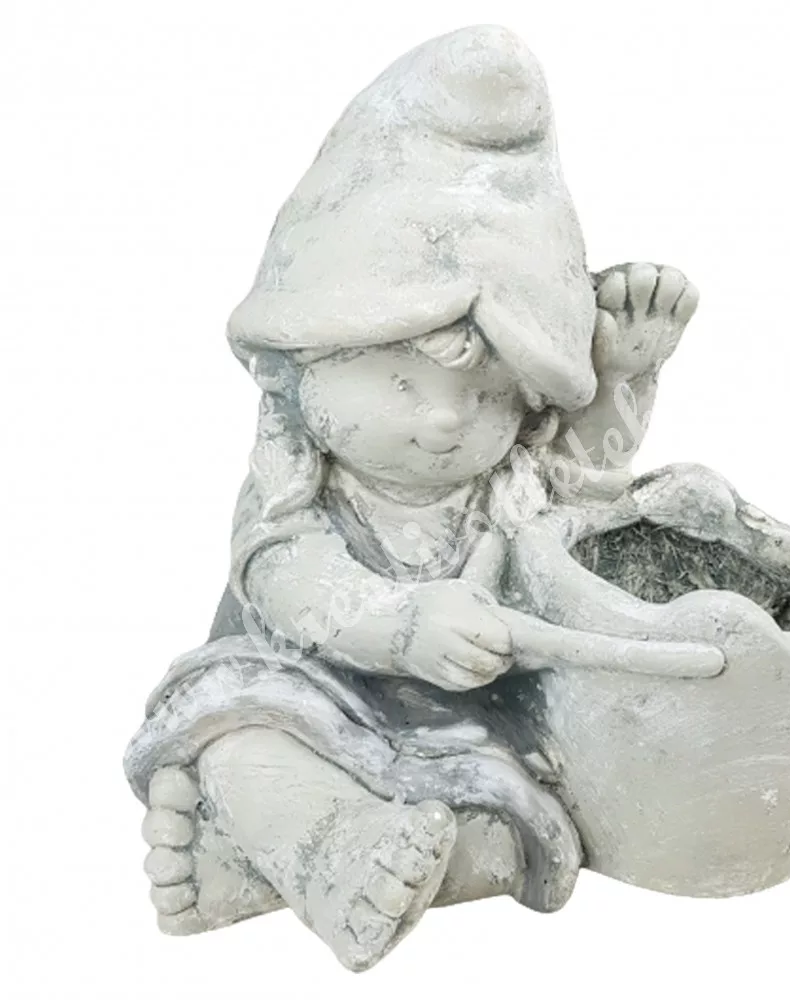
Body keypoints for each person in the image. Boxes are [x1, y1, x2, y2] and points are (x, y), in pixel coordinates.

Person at [125, 25, 697, 971]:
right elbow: (285, 577)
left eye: (486, 397)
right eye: (400, 383)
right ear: (304, 364)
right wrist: (397, 626)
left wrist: (621, 378)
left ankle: (271, 870)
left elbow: (581, 498)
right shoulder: (300, 482)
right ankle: (313, 840)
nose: (443, 422)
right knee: (234, 733)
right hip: (306, 690)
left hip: (467, 728)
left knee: (529, 820)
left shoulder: (503, 481)